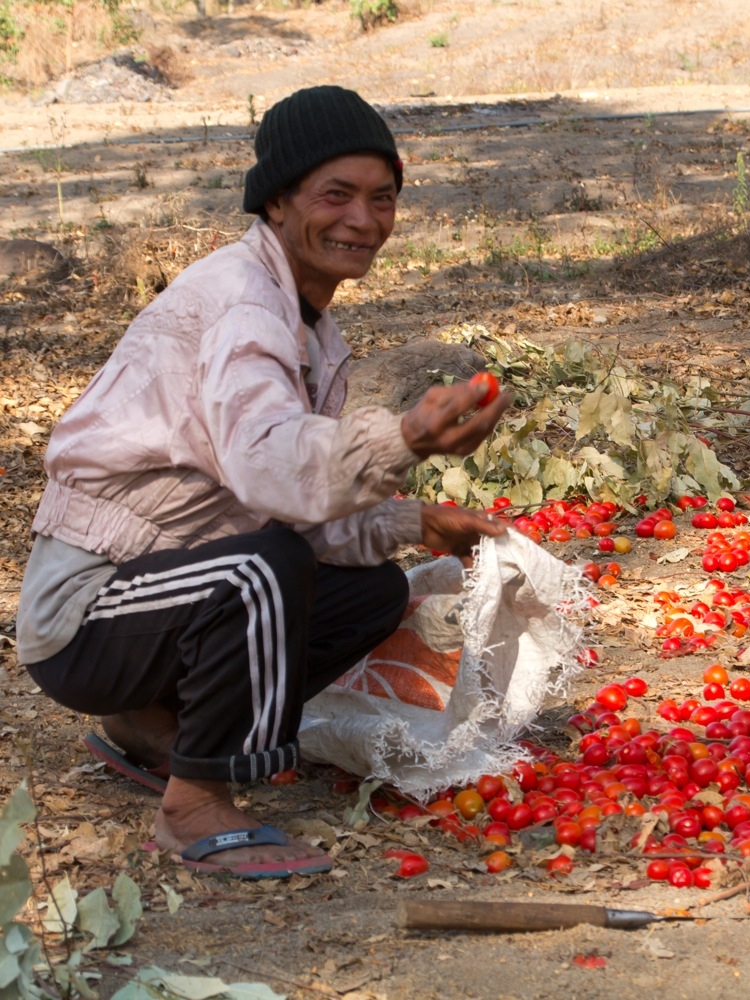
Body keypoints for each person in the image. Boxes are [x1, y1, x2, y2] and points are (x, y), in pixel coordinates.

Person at [15, 85, 509, 879]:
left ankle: (156, 724)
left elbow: (287, 503)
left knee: (372, 591)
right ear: (278, 201)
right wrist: (406, 436)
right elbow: (270, 466)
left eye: (381, 198)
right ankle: (193, 805)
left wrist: (410, 523)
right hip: (83, 614)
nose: (362, 220)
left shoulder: (305, 319)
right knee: (263, 570)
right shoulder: (246, 305)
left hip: (160, 586)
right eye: (335, 195)